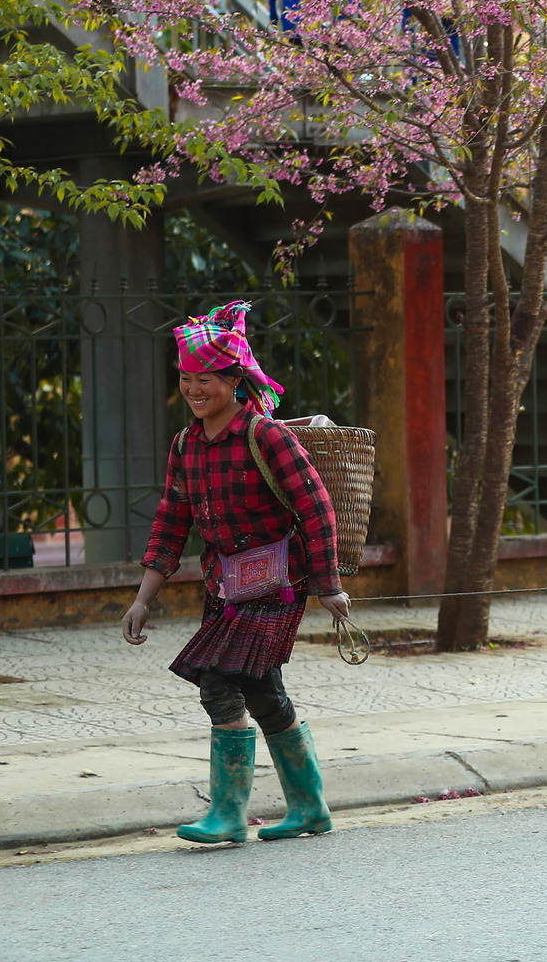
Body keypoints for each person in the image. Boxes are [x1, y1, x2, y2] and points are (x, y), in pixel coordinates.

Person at [120, 301, 350, 844]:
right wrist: (143, 598)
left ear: (234, 379)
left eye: (205, 379)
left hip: (278, 584)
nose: (194, 389)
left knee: (219, 681)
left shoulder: (266, 436)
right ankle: (310, 808)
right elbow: (172, 521)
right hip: (225, 587)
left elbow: (316, 508)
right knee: (261, 690)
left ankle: (227, 815)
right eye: (185, 378)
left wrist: (329, 585)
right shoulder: (185, 445)